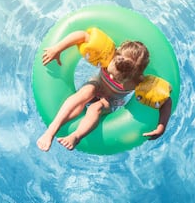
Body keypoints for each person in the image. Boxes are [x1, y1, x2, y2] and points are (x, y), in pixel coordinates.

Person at [36, 30, 172, 152]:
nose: (112, 77)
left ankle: (75, 136)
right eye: (110, 72)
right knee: (86, 93)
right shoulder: (109, 54)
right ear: (115, 56)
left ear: (135, 74)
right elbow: (82, 35)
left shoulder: (138, 81)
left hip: (112, 100)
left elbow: (166, 100)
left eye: (118, 79)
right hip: (97, 84)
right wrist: (57, 49)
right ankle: (51, 131)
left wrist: (161, 126)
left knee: (97, 107)